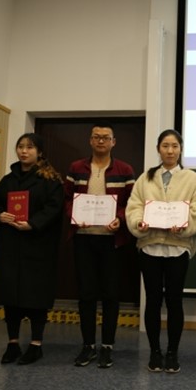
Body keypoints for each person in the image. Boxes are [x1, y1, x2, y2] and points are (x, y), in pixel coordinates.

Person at [125, 129, 196, 373]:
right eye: (165, 146)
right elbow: (134, 207)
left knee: (174, 300)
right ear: (158, 149)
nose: (170, 151)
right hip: (149, 246)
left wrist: (183, 227)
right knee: (152, 300)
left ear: (180, 149)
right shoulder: (145, 178)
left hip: (177, 248)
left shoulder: (193, 179)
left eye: (174, 146)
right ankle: (155, 352)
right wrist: (139, 223)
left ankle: (172, 352)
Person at [0, 133, 64, 365]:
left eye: (30, 147)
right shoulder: (8, 179)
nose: (24, 151)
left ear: (39, 152)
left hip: (38, 245)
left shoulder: (50, 179)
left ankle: (36, 344)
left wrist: (33, 223)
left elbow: (54, 208)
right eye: (20, 147)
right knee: (10, 295)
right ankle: (12, 343)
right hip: (10, 244)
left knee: (36, 296)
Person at [64, 122, 135, 368]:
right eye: (96, 137)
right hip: (83, 238)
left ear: (113, 142)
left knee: (111, 294)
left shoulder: (125, 169)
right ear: (90, 140)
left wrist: (120, 219)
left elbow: (132, 203)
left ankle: (107, 346)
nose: (101, 141)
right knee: (86, 294)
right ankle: (88, 346)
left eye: (106, 137)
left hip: (112, 240)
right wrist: (74, 215)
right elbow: (67, 198)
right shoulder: (76, 168)